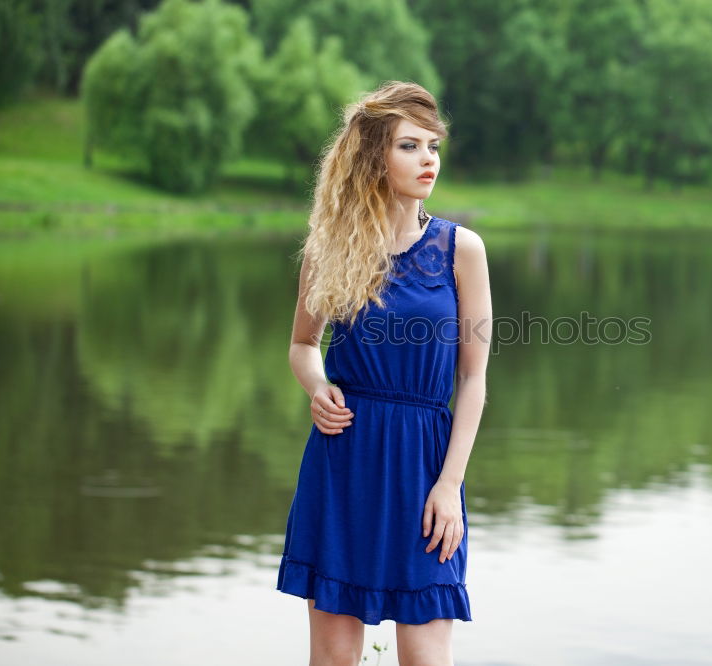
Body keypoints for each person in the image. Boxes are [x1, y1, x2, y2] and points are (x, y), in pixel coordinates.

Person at [276, 80, 492, 666]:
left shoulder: (460, 250)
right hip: (344, 460)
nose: (428, 160)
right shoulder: (331, 248)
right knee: (334, 658)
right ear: (375, 157)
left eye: (433, 146)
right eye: (409, 147)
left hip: (426, 466)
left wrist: (450, 485)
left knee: (426, 655)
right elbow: (302, 344)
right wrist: (317, 385)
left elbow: (473, 381)